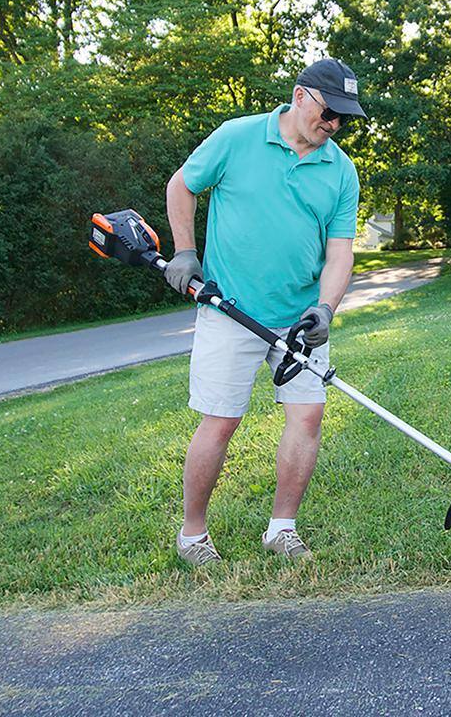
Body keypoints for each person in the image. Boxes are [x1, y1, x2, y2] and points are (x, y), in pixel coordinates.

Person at [163, 58, 365, 566]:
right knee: (221, 421)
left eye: (343, 118)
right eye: (329, 111)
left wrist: (324, 308)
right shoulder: (238, 137)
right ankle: (192, 535)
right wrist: (185, 250)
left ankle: (282, 528)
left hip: (297, 317)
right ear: (300, 96)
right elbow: (181, 185)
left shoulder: (340, 170)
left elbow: (340, 251)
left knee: (309, 414)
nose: (334, 124)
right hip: (229, 310)